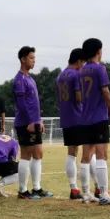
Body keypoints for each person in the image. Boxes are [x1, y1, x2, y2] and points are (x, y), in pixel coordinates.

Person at [78, 38, 110, 205]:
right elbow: (106, 92)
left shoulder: (81, 71)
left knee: (86, 156)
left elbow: (80, 95)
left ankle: (86, 193)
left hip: (85, 117)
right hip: (98, 117)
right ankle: (104, 193)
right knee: (102, 154)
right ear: (98, 51)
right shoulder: (99, 69)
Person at [13, 45, 51, 199]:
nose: (34, 61)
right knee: (26, 154)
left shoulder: (30, 79)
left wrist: (39, 120)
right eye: (31, 58)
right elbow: (21, 104)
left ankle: (37, 188)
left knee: (38, 153)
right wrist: (30, 121)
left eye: (34, 58)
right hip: (25, 123)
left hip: (34, 122)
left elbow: (34, 103)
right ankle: (22, 191)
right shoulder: (19, 80)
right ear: (23, 59)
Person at [56, 48, 85, 200]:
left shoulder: (60, 75)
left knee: (71, 152)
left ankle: (73, 187)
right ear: (79, 61)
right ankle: (94, 188)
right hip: (78, 116)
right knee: (87, 150)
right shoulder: (76, 74)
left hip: (66, 117)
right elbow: (80, 97)